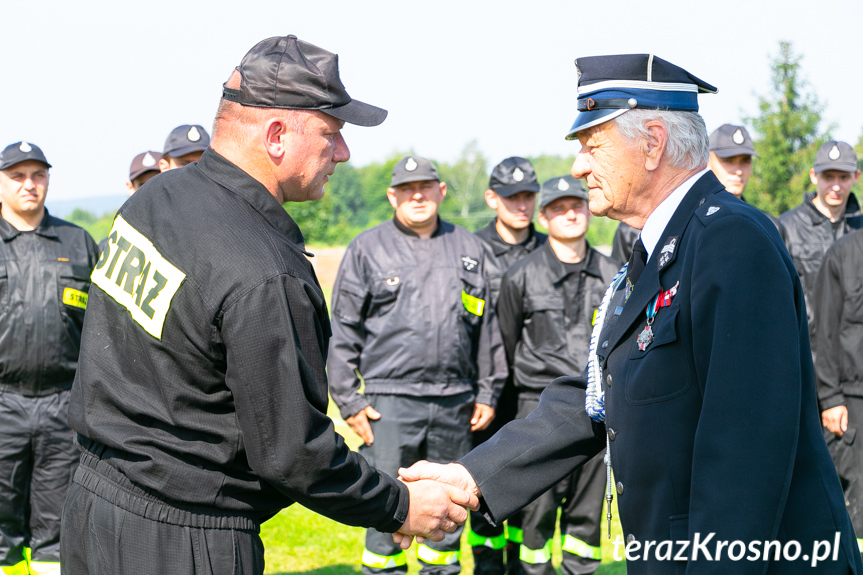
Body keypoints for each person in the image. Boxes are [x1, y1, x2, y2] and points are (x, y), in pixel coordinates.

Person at [398, 53, 863, 574]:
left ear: (653, 143)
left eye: (592, 145)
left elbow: (744, 449)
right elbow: (600, 393)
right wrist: (474, 475)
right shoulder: (659, 248)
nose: (577, 166)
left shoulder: (730, 240)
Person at [61, 35, 477, 575]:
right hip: (186, 539)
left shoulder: (154, 200)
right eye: (332, 135)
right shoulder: (264, 272)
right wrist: (398, 504)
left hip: (92, 508)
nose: (345, 154)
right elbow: (292, 452)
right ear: (277, 135)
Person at [328, 155, 503, 575]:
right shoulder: (367, 249)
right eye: (407, 189)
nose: (418, 195)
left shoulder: (470, 249)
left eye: (426, 186)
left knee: (450, 508)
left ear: (442, 191)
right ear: (392, 196)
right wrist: (349, 401)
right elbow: (341, 330)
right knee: (385, 504)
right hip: (389, 404)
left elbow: (488, 328)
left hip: (455, 403)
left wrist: (487, 391)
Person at [497, 175, 618, 575]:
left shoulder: (614, 274)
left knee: (585, 518)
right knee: (536, 516)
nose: (571, 214)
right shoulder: (520, 275)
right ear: (544, 216)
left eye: (577, 205)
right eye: (559, 208)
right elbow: (507, 342)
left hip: (596, 408)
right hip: (538, 406)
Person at [0, 141, 99, 575]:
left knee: (57, 529)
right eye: (17, 176)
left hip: (64, 407)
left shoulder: (78, 243)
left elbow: (103, 329)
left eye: (38, 174)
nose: (29, 184)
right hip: (2, 404)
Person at [471, 156, 546, 574]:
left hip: (532, 391)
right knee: (484, 485)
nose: (522, 204)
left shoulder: (549, 248)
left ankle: (519, 566)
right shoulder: (470, 250)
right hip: (486, 393)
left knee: (528, 488)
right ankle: (486, 566)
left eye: (528, 196)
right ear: (491, 198)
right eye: (511, 196)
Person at [780, 140, 862, 360]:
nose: (836, 186)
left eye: (843, 177)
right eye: (828, 177)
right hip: (805, 357)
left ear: (856, 176)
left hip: (854, 363)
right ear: (813, 175)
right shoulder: (786, 228)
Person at [814, 226, 863, 554]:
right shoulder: (844, 253)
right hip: (852, 402)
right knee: (854, 510)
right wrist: (830, 397)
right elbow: (824, 332)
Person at [707, 123, 786, 240]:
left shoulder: (769, 226)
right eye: (728, 160)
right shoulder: (689, 221)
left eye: (745, 161)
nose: (738, 171)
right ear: (706, 161)